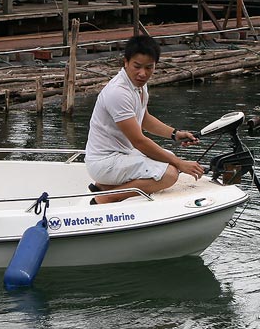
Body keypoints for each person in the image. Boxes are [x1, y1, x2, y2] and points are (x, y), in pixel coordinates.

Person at [85, 34, 205, 205]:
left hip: (121, 155)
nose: (142, 73)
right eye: (137, 66)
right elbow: (139, 141)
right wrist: (180, 163)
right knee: (170, 173)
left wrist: (175, 134)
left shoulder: (138, 85)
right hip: (104, 161)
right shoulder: (118, 92)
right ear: (125, 62)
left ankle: (104, 186)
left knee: (169, 158)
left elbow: (144, 118)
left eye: (149, 68)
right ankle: (108, 197)